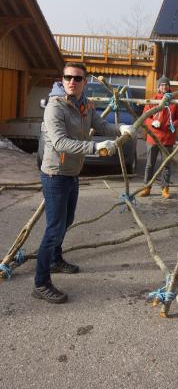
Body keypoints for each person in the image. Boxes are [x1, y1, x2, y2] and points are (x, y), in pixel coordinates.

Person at [33, 62, 136, 304]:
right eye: (68, 77)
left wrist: (121, 128)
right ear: (62, 79)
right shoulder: (55, 107)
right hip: (55, 174)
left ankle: (55, 260)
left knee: (66, 221)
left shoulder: (84, 106)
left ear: (84, 82)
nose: (72, 81)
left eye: (77, 78)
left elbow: (101, 126)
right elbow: (61, 143)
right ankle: (40, 283)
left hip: (72, 173)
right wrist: (95, 147)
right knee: (54, 228)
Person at [139, 75, 178, 199]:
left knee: (166, 165)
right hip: (153, 138)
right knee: (149, 164)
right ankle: (146, 187)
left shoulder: (174, 101)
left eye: (166, 85)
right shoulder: (153, 100)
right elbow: (145, 117)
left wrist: (173, 124)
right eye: (162, 85)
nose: (164, 87)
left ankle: (165, 188)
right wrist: (151, 122)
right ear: (159, 87)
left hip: (168, 139)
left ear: (169, 87)